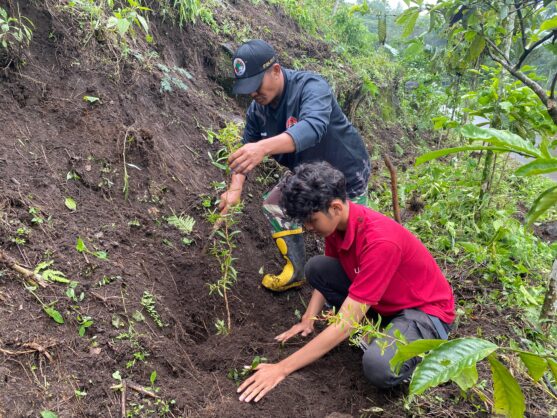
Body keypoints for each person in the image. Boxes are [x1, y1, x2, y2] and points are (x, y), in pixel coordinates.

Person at [236, 162, 455, 402]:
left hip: (424, 313)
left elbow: (346, 324)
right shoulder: (338, 227)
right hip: (386, 302)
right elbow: (327, 276)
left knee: (378, 367)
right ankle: (383, 329)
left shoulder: (380, 242)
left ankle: (428, 355)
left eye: (312, 220)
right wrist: (309, 317)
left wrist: (281, 368)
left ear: (336, 207)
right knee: (317, 267)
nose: (308, 228)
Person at [219, 39, 371, 292]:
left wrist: (264, 147)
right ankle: (297, 271)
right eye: (248, 89)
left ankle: (359, 295)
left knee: (349, 236)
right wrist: (235, 190)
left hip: (346, 172)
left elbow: (313, 127)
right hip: (309, 174)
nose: (253, 94)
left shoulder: (311, 87)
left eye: (257, 85)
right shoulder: (258, 111)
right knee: (274, 205)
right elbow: (246, 152)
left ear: (276, 70)